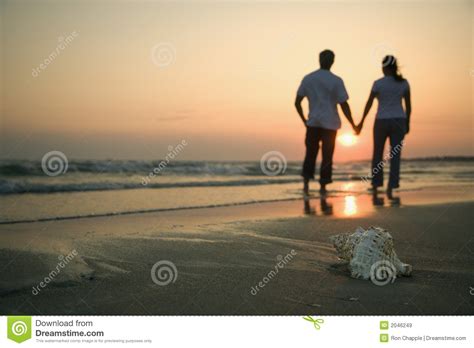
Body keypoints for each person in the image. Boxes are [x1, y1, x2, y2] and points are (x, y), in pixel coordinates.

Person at [295, 49, 358, 196]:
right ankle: (323, 187)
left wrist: (304, 120)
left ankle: (306, 185)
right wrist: (353, 124)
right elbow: (344, 105)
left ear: (319, 59)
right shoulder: (336, 80)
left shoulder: (308, 78)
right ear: (332, 61)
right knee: (327, 156)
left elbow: (297, 102)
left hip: (313, 123)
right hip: (330, 124)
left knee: (310, 153)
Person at [357, 55, 411, 199]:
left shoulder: (378, 83)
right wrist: (408, 123)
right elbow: (408, 106)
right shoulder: (404, 83)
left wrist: (361, 121)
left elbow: (369, 103)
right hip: (399, 120)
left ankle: (376, 184)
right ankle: (391, 186)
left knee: (378, 154)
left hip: (381, 120)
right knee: (395, 155)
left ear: (384, 67)